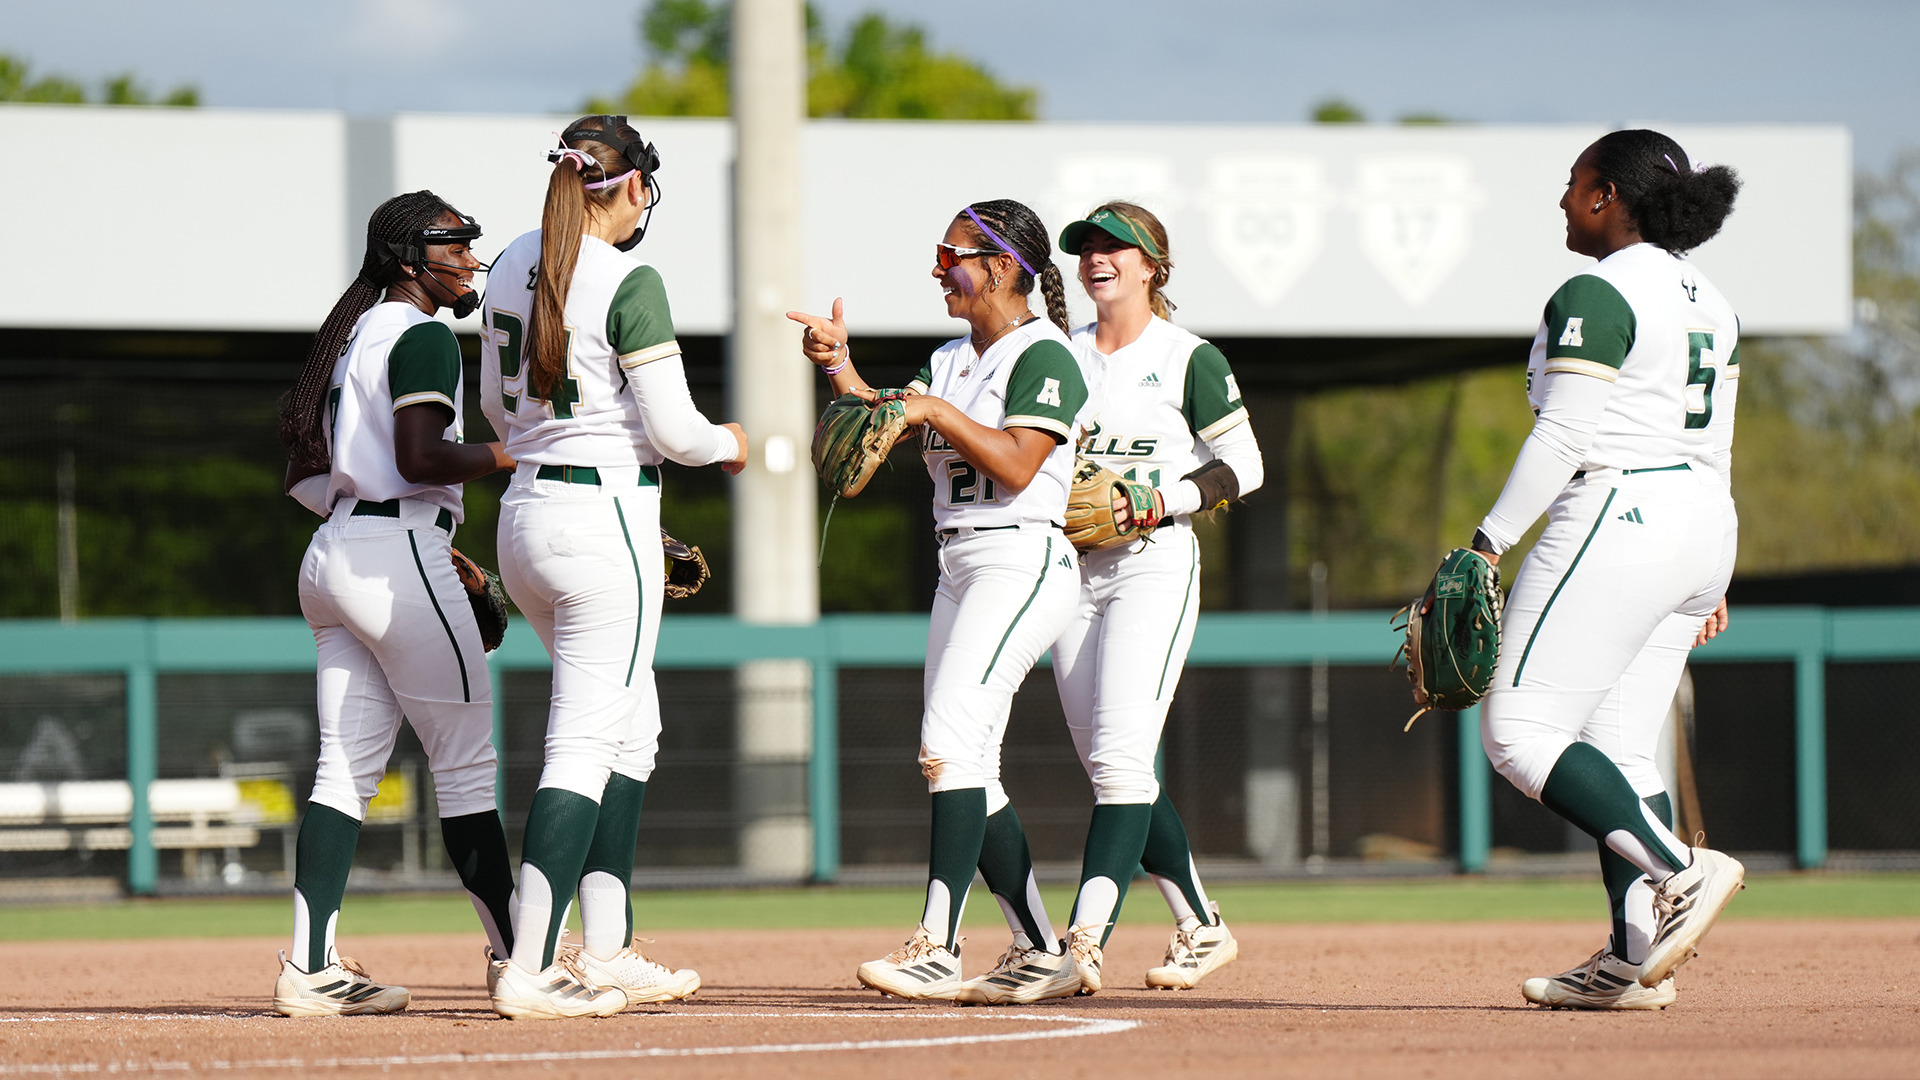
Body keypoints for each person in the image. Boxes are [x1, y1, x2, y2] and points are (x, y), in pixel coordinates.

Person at [1467, 129, 1745, 1010]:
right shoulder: (1713, 297)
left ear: (1608, 196)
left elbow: (1565, 433)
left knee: (1514, 729)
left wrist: (1486, 541)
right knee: (1620, 747)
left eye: (1574, 182)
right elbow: (1715, 442)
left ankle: (1681, 872)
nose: (1563, 198)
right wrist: (1712, 569)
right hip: (1701, 513)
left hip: (1622, 509)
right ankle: (1631, 961)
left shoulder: (1600, 286)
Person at [788, 199, 1090, 1006]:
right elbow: (887, 422)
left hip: (1021, 555)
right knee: (962, 762)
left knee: (948, 742)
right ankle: (1038, 946)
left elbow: (1020, 465)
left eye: (949, 254)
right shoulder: (951, 357)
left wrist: (930, 409)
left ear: (999, 267)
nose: (937, 269)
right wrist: (837, 368)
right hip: (959, 561)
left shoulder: (1046, 354)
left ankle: (938, 946)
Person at [480, 115, 748, 1019]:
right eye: (645, 189)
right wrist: (732, 442)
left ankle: (605, 948)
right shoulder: (630, 274)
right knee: (588, 742)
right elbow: (675, 432)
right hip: (603, 520)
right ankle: (530, 965)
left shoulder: (515, 257)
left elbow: (491, 406)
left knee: (633, 729)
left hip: (526, 518)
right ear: (630, 185)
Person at [272, 191, 519, 1016]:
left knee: (342, 774)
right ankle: (521, 958)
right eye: (454, 243)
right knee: (466, 767)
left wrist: (376, 524)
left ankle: (310, 967)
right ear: (411, 256)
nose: (470, 257)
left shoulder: (355, 336)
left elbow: (309, 475)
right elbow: (421, 458)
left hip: (335, 553)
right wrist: (512, 453)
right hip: (394, 553)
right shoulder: (417, 332)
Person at [1048, 203, 1263, 994]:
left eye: (1116, 246)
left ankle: (1082, 943)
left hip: (1151, 561)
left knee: (1118, 762)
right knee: (1114, 763)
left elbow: (1246, 466)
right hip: (1071, 569)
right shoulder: (1058, 353)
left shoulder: (1186, 357)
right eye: (1088, 248)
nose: (1098, 257)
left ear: (1152, 266)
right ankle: (1201, 924)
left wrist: (1156, 500)